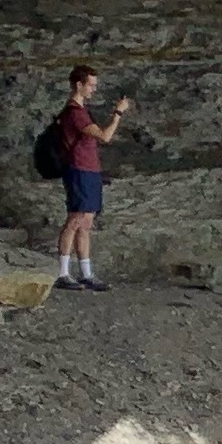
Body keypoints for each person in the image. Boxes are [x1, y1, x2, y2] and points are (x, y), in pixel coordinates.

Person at [55, 64, 129, 290]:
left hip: (89, 170)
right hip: (79, 170)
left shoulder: (81, 111)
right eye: (91, 85)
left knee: (86, 223)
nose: (94, 90)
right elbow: (104, 136)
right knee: (75, 219)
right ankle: (63, 273)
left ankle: (86, 274)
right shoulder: (74, 113)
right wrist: (118, 113)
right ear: (79, 85)